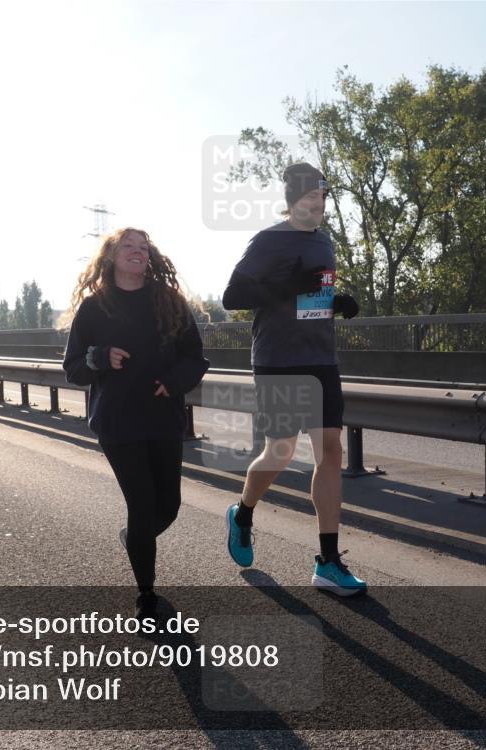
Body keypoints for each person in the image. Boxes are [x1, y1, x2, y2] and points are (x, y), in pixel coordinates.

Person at [221, 162, 366, 596]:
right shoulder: (269, 241)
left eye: (322, 197)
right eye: (308, 197)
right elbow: (233, 298)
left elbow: (310, 299)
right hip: (278, 360)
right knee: (280, 452)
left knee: (330, 451)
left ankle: (327, 561)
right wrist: (288, 287)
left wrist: (335, 300)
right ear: (291, 201)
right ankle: (243, 514)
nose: (317, 204)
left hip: (321, 357)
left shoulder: (325, 242)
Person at [64, 227, 210, 621]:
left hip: (164, 420)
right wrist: (99, 357)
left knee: (170, 507)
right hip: (118, 424)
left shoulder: (170, 302)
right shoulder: (95, 307)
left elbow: (195, 358)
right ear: (111, 256)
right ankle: (146, 592)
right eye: (128, 246)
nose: (137, 251)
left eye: (143, 247)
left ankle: (135, 540)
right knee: (142, 505)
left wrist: (175, 382)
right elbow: (73, 368)